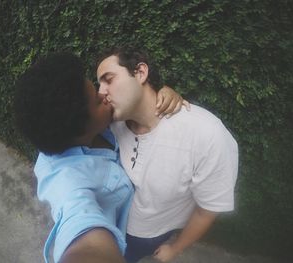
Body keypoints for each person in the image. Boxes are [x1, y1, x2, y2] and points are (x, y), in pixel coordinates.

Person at [13, 52, 184, 263]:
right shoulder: (67, 184)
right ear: (79, 129)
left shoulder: (96, 124)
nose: (105, 94)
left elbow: (138, 100)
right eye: (97, 99)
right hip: (129, 237)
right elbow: (82, 234)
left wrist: (160, 95)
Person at [97, 46, 239, 263]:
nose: (101, 92)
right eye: (99, 84)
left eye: (109, 79)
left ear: (140, 73)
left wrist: (175, 248)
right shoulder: (112, 124)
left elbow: (208, 209)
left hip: (147, 235)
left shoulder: (207, 134)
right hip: (107, 219)